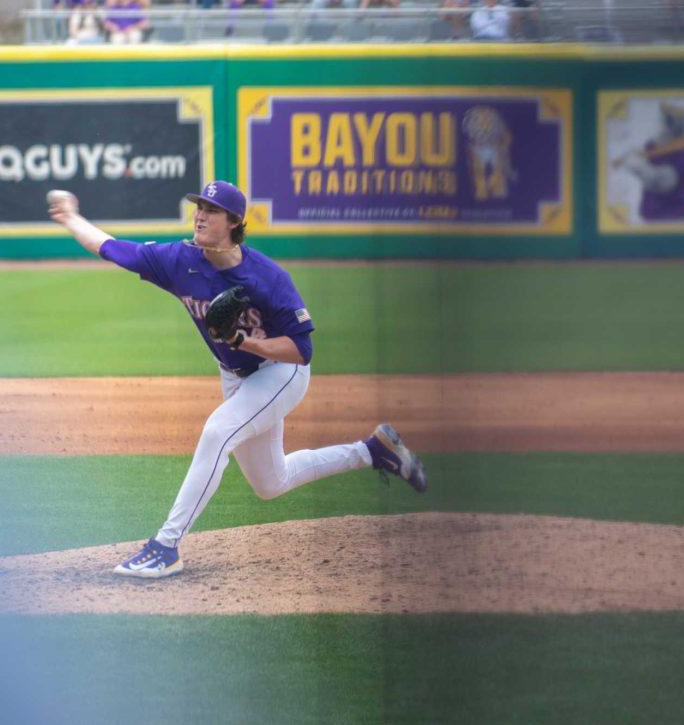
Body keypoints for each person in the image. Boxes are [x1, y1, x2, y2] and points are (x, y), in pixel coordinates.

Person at [48, 182, 427, 578]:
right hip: (237, 377)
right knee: (270, 482)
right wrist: (71, 217)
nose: (200, 215)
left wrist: (243, 341)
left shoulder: (267, 277)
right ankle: (373, 452)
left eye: (211, 210)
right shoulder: (180, 260)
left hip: (281, 373)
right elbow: (110, 247)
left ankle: (165, 546)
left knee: (217, 432)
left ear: (233, 223)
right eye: (199, 207)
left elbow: (301, 350)